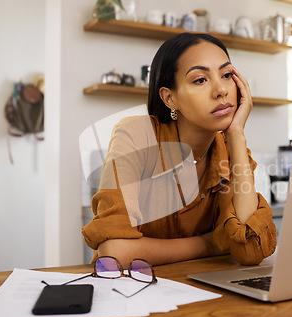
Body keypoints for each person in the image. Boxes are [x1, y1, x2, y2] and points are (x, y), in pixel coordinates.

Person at [82, 33, 276, 268]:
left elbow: (249, 251)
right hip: (129, 292)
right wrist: (212, 243)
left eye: (226, 75)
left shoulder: (230, 148)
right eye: (200, 80)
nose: (221, 90)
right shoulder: (136, 134)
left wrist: (236, 134)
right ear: (169, 98)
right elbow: (115, 252)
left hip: (203, 293)